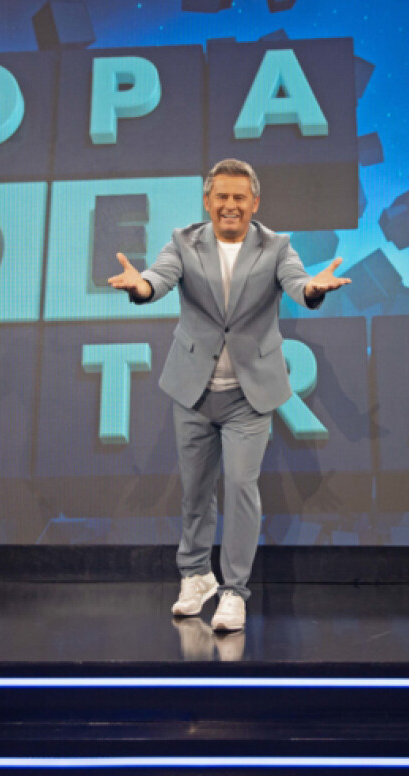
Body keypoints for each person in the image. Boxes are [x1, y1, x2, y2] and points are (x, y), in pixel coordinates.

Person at [108, 159, 351, 632]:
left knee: (240, 487)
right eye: (221, 196)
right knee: (196, 492)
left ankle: (234, 592)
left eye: (239, 197)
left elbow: (298, 283)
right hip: (193, 391)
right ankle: (196, 576)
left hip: (248, 396)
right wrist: (141, 287)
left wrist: (313, 290)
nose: (230, 205)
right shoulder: (184, 242)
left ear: (254, 203)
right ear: (208, 201)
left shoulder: (277, 246)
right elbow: (158, 278)